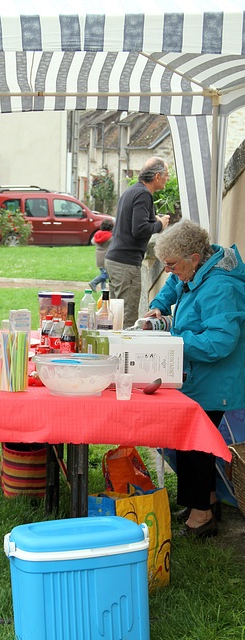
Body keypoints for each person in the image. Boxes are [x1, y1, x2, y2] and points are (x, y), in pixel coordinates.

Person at [145, 219, 245, 538]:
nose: (170, 271)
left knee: (195, 445)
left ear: (194, 257)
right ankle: (205, 503)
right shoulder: (196, 266)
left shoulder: (221, 286)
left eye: (172, 265)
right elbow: (175, 285)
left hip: (218, 379)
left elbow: (220, 342)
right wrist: (158, 308)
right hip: (201, 374)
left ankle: (201, 518)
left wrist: (176, 340)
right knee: (189, 440)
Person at [105, 157, 170, 329]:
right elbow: (139, 229)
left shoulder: (132, 190)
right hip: (126, 264)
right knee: (126, 318)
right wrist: (160, 225)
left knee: (114, 316)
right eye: (166, 175)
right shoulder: (143, 194)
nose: (168, 179)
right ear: (157, 176)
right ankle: (121, 354)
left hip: (115, 259)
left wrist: (153, 219)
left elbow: (133, 221)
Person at [89, 219, 114, 292]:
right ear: (111, 228)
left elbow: (92, 241)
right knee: (107, 274)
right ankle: (94, 282)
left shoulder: (97, 235)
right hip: (106, 258)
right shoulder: (110, 237)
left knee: (103, 272)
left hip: (98, 257)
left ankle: (103, 290)